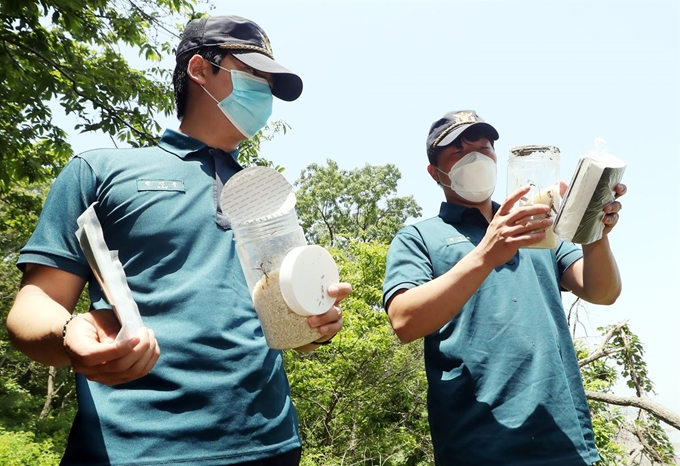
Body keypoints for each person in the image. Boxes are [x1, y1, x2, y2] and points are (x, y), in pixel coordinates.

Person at [6, 15, 351, 466]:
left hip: (273, 446)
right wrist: (71, 333)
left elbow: (282, 322)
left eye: (271, 81)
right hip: (139, 450)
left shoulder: (269, 192)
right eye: (253, 73)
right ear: (198, 69)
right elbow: (32, 308)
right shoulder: (100, 171)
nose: (265, 90)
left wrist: (314, 326)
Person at [382, 110, 625, 465]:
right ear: (436, 173)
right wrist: (486, 253)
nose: (476, 157)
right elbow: (404, 321)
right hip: (477, 446)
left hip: (566, 442)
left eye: (484, 148)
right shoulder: (419, 237)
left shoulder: (540, 226)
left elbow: (602, 292)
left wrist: (593, 230)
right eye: (458, 152)